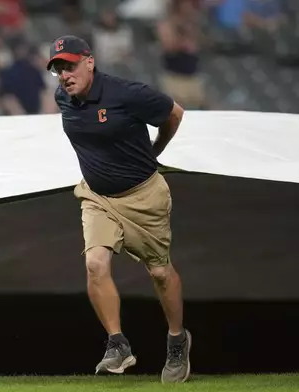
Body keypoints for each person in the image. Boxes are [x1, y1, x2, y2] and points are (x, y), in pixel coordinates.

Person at [46, 35, 191, 383]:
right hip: (97, 197)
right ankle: (117, 344)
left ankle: (177, 339)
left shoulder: (125, 93)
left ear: (90, 61)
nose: (65, 74)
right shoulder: (62, 98)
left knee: (159, 274)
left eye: (70, 65)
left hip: (144, 196)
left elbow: (174, 113)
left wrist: (155, 151)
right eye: (58, 69)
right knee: (95, 263)